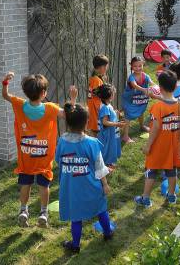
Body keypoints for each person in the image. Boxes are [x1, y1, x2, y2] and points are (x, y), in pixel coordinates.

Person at [1, 73, 78, 228]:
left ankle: (23, 210)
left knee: (25, 184)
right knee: (44, 186)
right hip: (43, 158)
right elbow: (68, 115)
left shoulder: (19, 104)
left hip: (26, 157)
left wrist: (5, 82)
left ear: (26, 92)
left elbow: (5, 95)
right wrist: (73, 98)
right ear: (44, 94)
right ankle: (43, 213)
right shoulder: (50, 108)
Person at [56, 103, 114, 254]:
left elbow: (58, 161)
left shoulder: (61, 141)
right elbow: (100, 167)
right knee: (101, 209)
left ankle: (75, 245)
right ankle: (108, 234)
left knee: (76, 217)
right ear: (87, 122)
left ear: (67, 123)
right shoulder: (92, 143)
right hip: (92, 188)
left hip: (71, 189)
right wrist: (105, 185)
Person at [135, 69, 180, 207]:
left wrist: (148, 146)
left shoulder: (157, 107)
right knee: (171, 171)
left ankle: (145, 198)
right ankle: (171, 196)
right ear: (175, 87)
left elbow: (155, 128)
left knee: (151, 171)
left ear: (160, 88)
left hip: (158, 146)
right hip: (173, 147)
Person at [122, 56, 153, 140]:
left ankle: (142, 126)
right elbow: (134, 85)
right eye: (135, 66)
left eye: (140, 66)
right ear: (131, 66)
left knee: (141, 111)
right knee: (128, 116)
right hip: (130, 99)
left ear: (143, 65)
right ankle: (125, 135)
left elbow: (151, 83)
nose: (138, 68)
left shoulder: (146, 76)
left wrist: (155, 87)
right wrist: (144, 89)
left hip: (140, 99)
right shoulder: (131, 77)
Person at [95, 83, 126, 168]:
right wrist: (118, 124)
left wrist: (115, 114)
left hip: (110, 132)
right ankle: (107, 164)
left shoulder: (106, 105)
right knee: (108, 148)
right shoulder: (105, 107)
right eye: (113, 94)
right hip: (107, 133)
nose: (114, 95)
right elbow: (104, 122)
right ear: (110, 96)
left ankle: (108, 163)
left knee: (111, 147)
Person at [87, 55, 109, 137]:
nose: (106, 69)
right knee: (96, 131)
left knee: (95, 130)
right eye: (106, 66)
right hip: (96, 109)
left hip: (93, 108)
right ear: (102, 67)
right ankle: (95, 148)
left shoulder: (94, 78)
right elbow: (96, 93)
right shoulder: (97, 80)